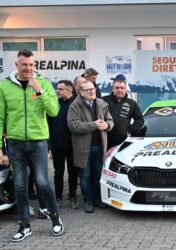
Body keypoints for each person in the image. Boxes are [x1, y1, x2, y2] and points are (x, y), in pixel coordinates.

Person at [0, 49, 64, 241]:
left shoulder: (43, 83)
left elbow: (54, 111)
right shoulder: (4, 87)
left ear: (34, 65)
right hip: (15, 143)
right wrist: (1, 148)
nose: (28, 68)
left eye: (31, 64)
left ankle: (55, 218)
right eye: (24, 64)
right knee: (19, 186)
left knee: (43, 182)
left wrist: (40, 91)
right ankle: (24, 224)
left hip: (38, 142)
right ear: (17, 65)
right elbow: (0, 118)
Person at [67, 80, 114, 213]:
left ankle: (97, 199)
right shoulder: (74, 106)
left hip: (99, 146)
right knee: (85, 176)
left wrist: (107, 125)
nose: (92, 91)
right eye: (88, 90)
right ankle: (88, 201)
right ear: (81, 92)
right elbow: (73, 126)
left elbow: (110, 120)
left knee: (97, 175)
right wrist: (93, 124)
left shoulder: (101, 103)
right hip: (83, 149)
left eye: (92, 88)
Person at [48, 80, 79, 209]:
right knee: (58, 172)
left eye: (60, 89)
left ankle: (73, 197)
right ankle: (58, 198)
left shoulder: (77, 104)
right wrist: (49, 145)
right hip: (57, 145)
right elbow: (48, 125)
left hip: (73, 146)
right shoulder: (54, 104)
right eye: (57, 89)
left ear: (69, 91)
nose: (57, 91)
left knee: (73, 173)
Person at [102, 74, 144, 149]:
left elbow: (140, 120)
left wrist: (129, 130)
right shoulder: (103, 100)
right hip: (104, 142)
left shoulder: (132, 103)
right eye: (117, 88)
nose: (119, 90)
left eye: (122, 88)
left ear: (125, 89)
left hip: (123, 143)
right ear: (113, 89)